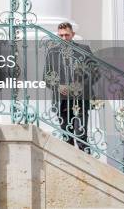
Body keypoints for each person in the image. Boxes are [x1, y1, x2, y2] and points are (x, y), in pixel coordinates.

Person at [44, 22, 99, 152]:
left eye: (66, 35)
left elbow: (96, 72)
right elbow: (46, 77)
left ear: (72, 34)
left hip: (80, 100)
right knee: (66, 137)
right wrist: (57, 86)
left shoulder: (84, 50)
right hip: (61, 100)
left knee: (81, 135)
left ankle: (87, 168)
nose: (64, 38)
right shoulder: (52, 52)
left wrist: (79, 86)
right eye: (61, 35)